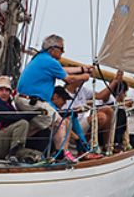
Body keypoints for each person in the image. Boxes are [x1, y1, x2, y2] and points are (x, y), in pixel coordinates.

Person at [15, 34, 91, 162]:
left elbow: (61, 69)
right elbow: (68, 79)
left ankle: (16, 143)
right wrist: (84, 77)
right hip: (32, 101)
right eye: (61, 49)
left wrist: (82, 69)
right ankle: (61, 155)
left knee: (43, 123)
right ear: (53, 49)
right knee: (59, 123)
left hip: (23, 99)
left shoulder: (41, 58)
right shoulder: (50, 61)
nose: (63, 52)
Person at [0, 76, 37, 163]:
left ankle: (34, 157)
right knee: (23, 123)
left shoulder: (8, 105)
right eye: (1, 90)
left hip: (5, 143)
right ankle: (13, 154)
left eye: (7, 90)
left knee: (36, 154)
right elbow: (11, 118)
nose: (4, 93)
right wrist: (33, 114)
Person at [64, 69, 125, 146]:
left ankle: (108, 146)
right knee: (100, 118)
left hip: (83, 122)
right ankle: (83, 145)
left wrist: (114, 82)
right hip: (72, 127)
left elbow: (100, 96)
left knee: (108, 110)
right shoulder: (62, 94)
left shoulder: (82, 90)